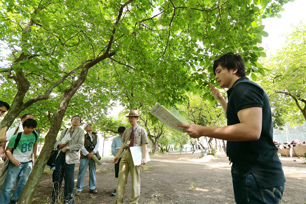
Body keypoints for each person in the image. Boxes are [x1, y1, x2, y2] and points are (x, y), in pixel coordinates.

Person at [179, 52, 285, 204]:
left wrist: (202, 130)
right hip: (251, 173)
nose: (216, 76)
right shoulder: (239, 90)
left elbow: (251, 130)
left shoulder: (244, 88)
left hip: (256, 176)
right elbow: (235, 117)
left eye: (219, 71)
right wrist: (221, 99)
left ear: (234, 69)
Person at [113, 110, 148, 204]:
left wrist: (144, 157)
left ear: (137, 118)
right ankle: (119, 201)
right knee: (121, 180)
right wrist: (117, 156)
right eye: (129, 117)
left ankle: (134, 202)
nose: (130, 119)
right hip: (125, 154)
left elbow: (144, 144)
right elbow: (123, 144)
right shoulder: (127, 130)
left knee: (135, 180)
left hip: (136, 155)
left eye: (132, 117)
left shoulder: (141, 130)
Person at [0, 118, 39, 204]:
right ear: (23, 126)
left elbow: (35, 146)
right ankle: (3, 202)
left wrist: (34, 158)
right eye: (28, 127)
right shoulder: (16, 137)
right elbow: (8, 150)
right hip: (16, 162)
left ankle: (15, 200)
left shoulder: (35, 135)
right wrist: (13, 160)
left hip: (28, 162)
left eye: (32, 128)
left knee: (23, 183)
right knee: (9, 185)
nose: (30, 130)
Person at [52, 115, 84, 204]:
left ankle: (68, 199)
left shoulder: (81, 132)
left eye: (78, 120)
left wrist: (68, 147)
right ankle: (55, 199)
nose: (76, 121)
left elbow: (80, 144)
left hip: (71, 157)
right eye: (74, 119)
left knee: (69, 178)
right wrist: (59, 145)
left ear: (80, 123)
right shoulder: (65, 131)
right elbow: (57, 142)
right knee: (57, 177)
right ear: (71, 121)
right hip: (60, 155)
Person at [75, 123, 100, 195]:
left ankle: (92, 187)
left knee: (92, 171)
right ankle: (79, 188)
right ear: (85, 129)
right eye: (88, 126)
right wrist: (87, 153)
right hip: (84, 156)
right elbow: (81, 146)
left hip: (93, 156)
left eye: (91, 125)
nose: (90, 126)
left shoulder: (96, 136)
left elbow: (97, 145)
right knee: (81, 171)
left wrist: (92, 153)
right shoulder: (82, 136)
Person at [111, 126, 125, 196]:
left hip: (126, 158)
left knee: (124, 174)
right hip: (118, 159)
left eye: (122, 133)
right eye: (120, 134)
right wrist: (117, 155)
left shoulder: (128, 139)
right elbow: (113, 148)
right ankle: (118, 188)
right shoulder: (115, 139)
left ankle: (119, 188)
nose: (121, 135)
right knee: (118, 174)